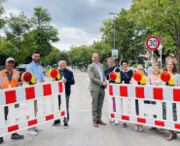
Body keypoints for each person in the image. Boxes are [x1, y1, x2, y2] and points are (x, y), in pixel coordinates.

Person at [0, 57, 24, 144]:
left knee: (14, 117)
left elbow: (20, 83)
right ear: (5, 63)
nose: (10, 64)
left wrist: (19, 84)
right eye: (9, 63)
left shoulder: (17, 73)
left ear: (14, 64)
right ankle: (0, 136)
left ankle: (14, 133)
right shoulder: (0, 73)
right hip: (3, 100)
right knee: (2, 118)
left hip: (14, 98)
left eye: (12, 63)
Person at [26, 51, 45, 136]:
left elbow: (42, 77)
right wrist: (39, 82)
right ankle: (29, 128)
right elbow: (30, 78)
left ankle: (34, 125)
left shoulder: (40, 67)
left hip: (38, 90)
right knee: (30, 108)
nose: (37, 58)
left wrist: (43, 80)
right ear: (32, 57)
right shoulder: (29, 66)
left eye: (38, 56)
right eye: (35, 56)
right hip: (31, 90)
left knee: (35, 108)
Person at [52, 60, 75, 128]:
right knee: (57, 106)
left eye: (63, 64)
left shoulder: (70, 72)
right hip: (57, 92)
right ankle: (57, 120)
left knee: (65, 106)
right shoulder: (56, 72)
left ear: (65, 65)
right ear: (59, 65)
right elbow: (53, 81)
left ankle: (65, 120)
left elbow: (73, 82)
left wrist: (67, 81)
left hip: (66, 92)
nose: (62, 65)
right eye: (61, 64)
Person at [88, 53, 107, 128]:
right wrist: (102, 83)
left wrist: (105, 82)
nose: (96, 58)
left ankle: (99, 119)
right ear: (92, 58)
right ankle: (94, 120)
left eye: (97, 57)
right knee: (95, 105)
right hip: (95, 88)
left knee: (100, 105)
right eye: (95, 57)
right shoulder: (90, 66)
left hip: (102, 88)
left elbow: (103, 75)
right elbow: (92, 78)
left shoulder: (101, 65)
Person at [163, 60, 180, 140]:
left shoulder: (177, 76)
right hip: (166, 97)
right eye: (168, 64)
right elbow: (161, 84)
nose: (169, 65)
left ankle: (174, 132)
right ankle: (171, 132)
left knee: (174, 115)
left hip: (174, 98)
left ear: (173, 66)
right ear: (166, 66)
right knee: (168, 115)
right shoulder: (163, 75)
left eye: (171, 64)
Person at [148, 64, 164, 134]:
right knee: (152, 110)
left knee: (159, 111)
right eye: (154, 68)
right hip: (152, 96)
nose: (156, 70)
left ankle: (159, 126)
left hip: (160, 96)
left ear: (159, 69)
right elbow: (148, 85)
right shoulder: (150, 77)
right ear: (152, 70)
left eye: (157, 68)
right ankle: (153, 124)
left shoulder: (161, 76)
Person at [130, 65, 145, 132]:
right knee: (136, 110)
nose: (140, 70)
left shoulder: (145, 77)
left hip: (143, 97)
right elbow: (131, 85)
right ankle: (136, 123)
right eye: (139, 69)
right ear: (137, 70)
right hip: (135, 96)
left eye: (141, 69)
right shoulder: (133, 77)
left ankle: (141, 124)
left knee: (142, 111)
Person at [120, 59, 133, 128]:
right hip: (123, 91)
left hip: (130, 90)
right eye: (123, 64)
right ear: (121, 66)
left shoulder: (131, 71)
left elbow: (132, 79)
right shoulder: (120, 72)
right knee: (124, 105)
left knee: (130, 105)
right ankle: (124, 121)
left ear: (127, 65)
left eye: (126, 64)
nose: (125, 65)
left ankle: (132, 119)